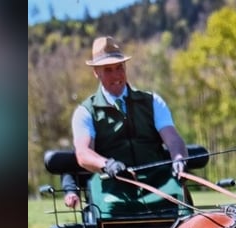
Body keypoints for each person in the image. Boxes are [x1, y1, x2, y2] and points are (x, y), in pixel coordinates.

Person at [64, 36, 191, 218]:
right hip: (112, 185)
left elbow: (173, 138)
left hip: (158, 181)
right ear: (95, 72)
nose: (116, 75)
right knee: (109, 215)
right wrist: (107, 165)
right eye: (108, 70)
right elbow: (83, 154)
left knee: (182, 209)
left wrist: (179, 158)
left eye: (119, 68)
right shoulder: (85, 112)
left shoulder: (153, 102)